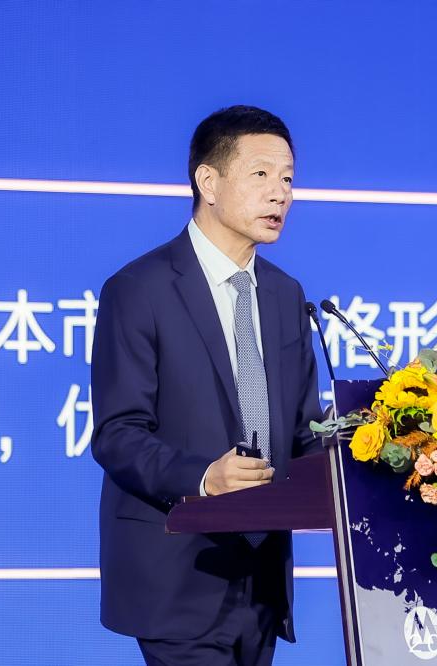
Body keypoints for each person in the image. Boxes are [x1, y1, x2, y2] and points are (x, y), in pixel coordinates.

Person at [90, 105, 324, 666]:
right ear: (208, 182)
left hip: (262, 578)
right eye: (261, 174)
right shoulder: (139, 289)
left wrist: (380, 459)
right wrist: (202, 477)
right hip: (178, 569)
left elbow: (305, 430)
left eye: (288, 178)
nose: (280, 194)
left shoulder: (285, 295)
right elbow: (118, 434)